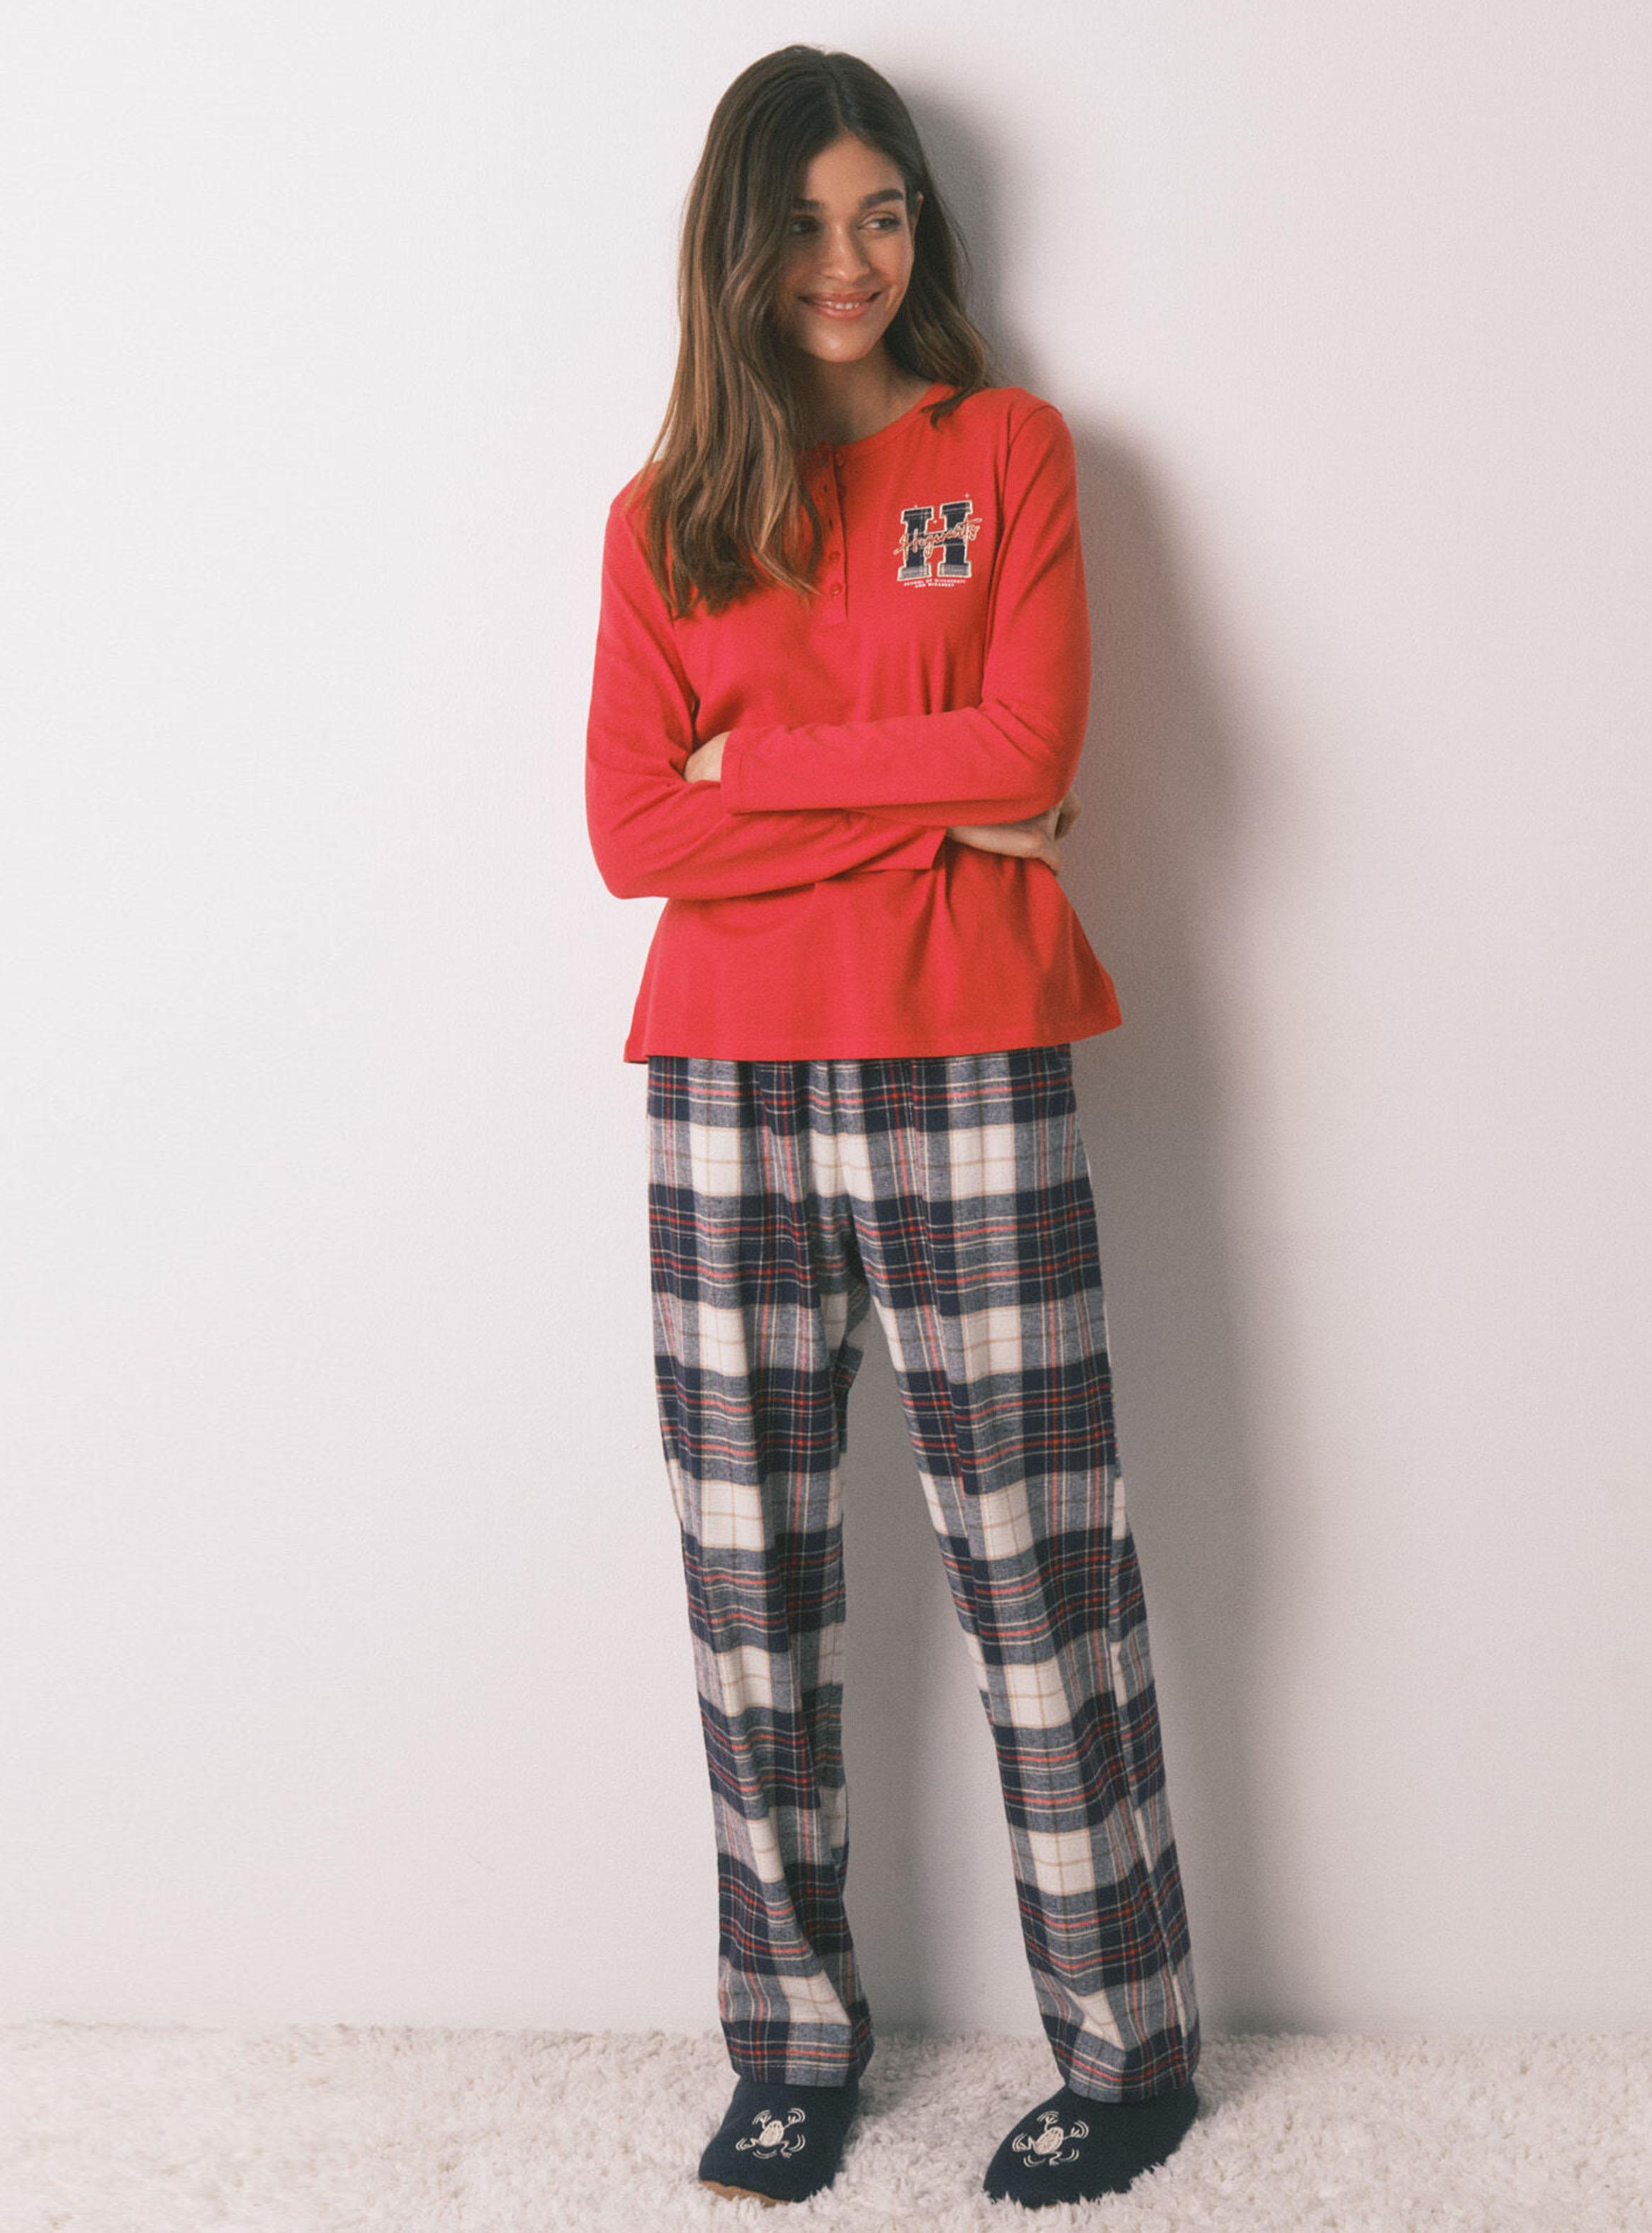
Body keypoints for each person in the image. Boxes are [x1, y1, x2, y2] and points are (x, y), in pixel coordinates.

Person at [583, 43, 1202, 2211]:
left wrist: (759, 774)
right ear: (734, 248)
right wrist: (922, 802)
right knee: (746, 1574)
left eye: (882, 215)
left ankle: (1125, 2056)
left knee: (1038, 1558)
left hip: (966, 1060)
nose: (846, 261)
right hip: (723, 1083)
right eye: (804, 223)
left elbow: (1030, 745)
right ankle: (787, 2051)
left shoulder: (1006, 448)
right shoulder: (661, 517)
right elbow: (628, 832)